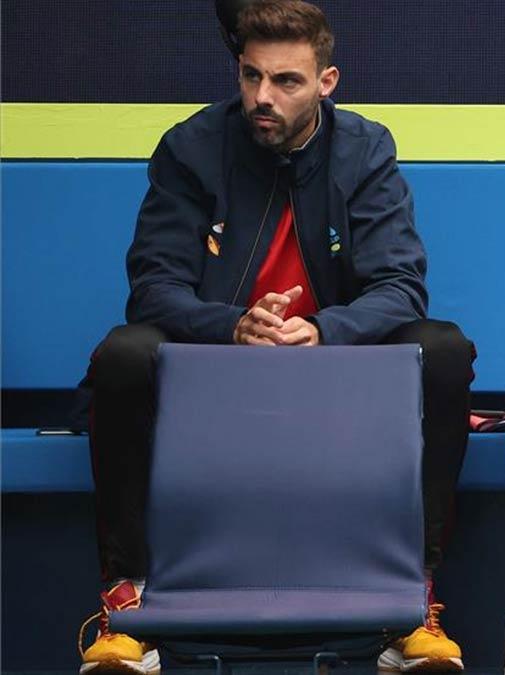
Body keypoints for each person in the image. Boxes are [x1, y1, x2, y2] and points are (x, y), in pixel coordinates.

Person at [78, 2, 473, 673]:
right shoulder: (192, 146)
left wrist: (323, 329)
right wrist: (231, 324)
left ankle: (414, 599)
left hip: (334, 367)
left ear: (327, 81)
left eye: (286, 81)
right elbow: (154, 284)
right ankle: (129, 602)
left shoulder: (365, 149)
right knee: (121, 355)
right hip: (218, 364)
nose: (263, 97)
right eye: (250, 76)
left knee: (443, 351)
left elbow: (400, 285)